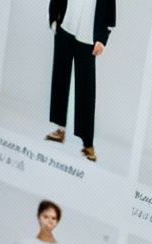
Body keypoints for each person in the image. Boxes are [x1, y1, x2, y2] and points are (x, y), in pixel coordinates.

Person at [45, 0, 116, 162]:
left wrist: (102, 39)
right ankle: (60, 129)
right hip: (65, 28)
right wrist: (53, 18)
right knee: (60, 79)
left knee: (86, 90)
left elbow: (109, 15)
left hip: (88, 39)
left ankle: (87, 143)